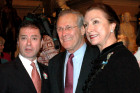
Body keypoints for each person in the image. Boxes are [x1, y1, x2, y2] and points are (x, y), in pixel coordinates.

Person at [83, 3, 140, 93]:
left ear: (112, 26)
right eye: (86, 25)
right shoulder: (103, 56)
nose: (88, 29)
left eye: (95, 22)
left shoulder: (122, 59)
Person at [48, 9, 99, 93]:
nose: (64, 33)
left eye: (69, 27)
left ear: (82, 29)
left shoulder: (100, 58)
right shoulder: (53, 64)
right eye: (60, 29)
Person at [0, 20, 49, 93]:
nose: (28, 43)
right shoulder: (3, 72)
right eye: (24, 38)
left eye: (34, 38)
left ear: (41, 43)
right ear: (18, 42)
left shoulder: (48, 71)